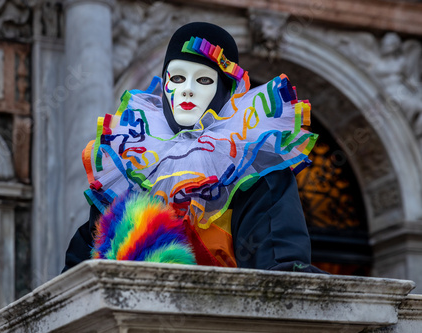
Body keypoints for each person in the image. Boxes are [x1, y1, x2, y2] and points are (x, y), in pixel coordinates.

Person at [63, 22, 323, 273]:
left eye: (203, 80)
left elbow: (280, 263)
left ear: (226, 89)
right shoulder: (131, 161)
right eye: (177, 78)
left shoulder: (254, 165)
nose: (187, 90)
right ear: (164, 84)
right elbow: (84, 264)